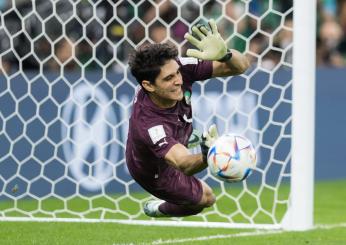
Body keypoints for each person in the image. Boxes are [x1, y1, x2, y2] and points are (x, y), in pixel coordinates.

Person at [126, 19, 250, 217]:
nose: (178, 81)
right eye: (168, 79)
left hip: (178, 134)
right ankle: (159, 209)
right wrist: (207, 154)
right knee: (207, 199)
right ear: (148, 85)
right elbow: (184, 164)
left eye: (176, 73)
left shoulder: (180, 67)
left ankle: (187, 138)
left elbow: (241, 66)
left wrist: (225, 54)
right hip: (154, 171)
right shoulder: (149, 124)